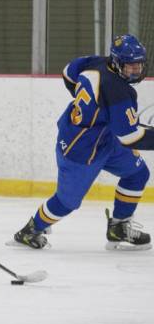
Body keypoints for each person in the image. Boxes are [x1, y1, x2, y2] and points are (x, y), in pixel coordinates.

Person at [13, 34, 153, 251]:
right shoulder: (118, 91)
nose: (136, 70)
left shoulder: (94, 62)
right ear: (116, 62)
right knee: (67, 202)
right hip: (80, 148)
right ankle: (30, 230)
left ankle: (119, 227)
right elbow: (129, 137)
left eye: (138, 65)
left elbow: (69, 72)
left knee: (137, 174)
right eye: (130, 66)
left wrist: (94, 109)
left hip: (105, 138)